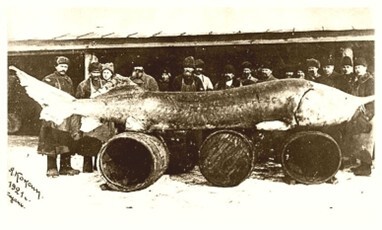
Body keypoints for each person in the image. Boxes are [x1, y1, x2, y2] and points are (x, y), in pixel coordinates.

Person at [37, 56, 80, 177]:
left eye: (66, 66)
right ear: (56, 66)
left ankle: (65, 167)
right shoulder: (48, 80)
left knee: (66, 139)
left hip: (66, 115)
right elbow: (42, 96)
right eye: (61, 66)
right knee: (51, 140)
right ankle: (51, 168)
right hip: (53, 115)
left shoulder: (68, 79)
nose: (63, 68)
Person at [342, 57, 374, 176]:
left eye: (360, 67)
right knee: (355, 139)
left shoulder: (370, 81)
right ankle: (360, 164)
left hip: (366, 114)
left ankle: (366, 167)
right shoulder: (356, 80)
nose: (357, 69)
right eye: (356, 67)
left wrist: (367, 115)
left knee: (363, 140)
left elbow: (373, 99)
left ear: (365, 68)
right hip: (355, 113)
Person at [75, 62, 108, 173]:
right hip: (88, 116)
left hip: (100, 116)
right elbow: (78, 101)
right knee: (88, 140)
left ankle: (97, 165)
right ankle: (87, 166)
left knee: (100, 140)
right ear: (90, 73)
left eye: (98, 72)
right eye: (94, 72)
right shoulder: (83, 85)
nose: (97, 75)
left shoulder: (105, 84)